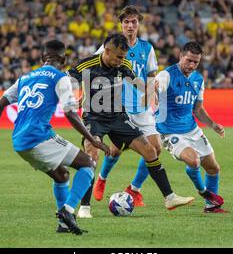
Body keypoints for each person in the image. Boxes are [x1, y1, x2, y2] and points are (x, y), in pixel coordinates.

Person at [0, 40, 109, 235]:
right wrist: (93, 139)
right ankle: (67, 211)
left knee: (61, 175)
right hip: (39, 137)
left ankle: (63, 225)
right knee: (88, 164)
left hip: (19, 142)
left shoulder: (24, 78)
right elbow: (70, 113)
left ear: (42, 57)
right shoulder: (61, 78)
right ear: (64, 59)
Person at [67, 33, 194, 218]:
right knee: (91, 155)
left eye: (124, 57)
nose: (122, 60)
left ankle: (170, 197)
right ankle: (84, 207)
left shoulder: (124, 65)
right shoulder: (87, 64)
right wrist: (73, 95)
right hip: (93, 118)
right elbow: (66, 80)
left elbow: (137, 83)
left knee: (150, 151)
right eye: (118, 56)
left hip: (118, 117)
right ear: (107, 51)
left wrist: (150, 90)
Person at [81, 5, 160, 218]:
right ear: (122, 25)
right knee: (114, 151)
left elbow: (152, 74)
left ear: (139, 24)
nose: (130, 25)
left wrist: (151, 94)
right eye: (126, 22)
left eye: (134, 22)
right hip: (116, 107)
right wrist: (86, 93)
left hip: (141, 107)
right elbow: (92, 68)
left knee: (155, 148)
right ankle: (102, 179)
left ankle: (134, 190)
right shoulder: (110, 46)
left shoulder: (147, 48)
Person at [155, 42, 227, 213]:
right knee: (193, 160)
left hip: (192, 130)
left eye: (196, 62)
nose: (192, 65)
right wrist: (155, 89)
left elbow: (198, 109)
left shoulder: (198, 79)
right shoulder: (167, 75)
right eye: (189, 61)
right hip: (170, 131)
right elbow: (158, 85)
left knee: (213, 168)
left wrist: (213, 125)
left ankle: (211, 206)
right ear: (180, 56)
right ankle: (204, 193)